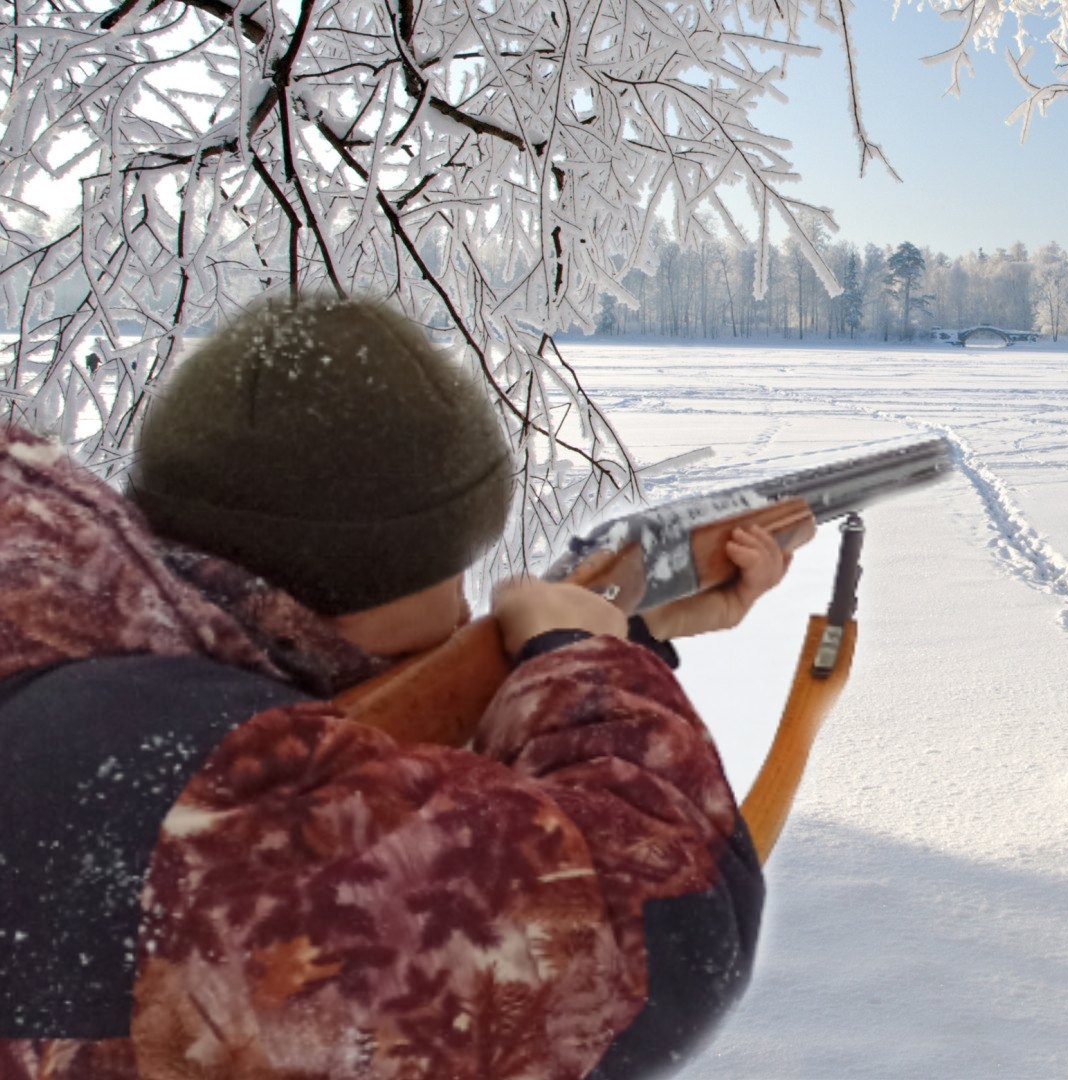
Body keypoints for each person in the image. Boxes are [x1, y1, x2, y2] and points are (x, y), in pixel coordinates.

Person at [0, 295, 789, 1079]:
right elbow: (670, 939)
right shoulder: (181, 785)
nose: (461, 614)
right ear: (343, 587)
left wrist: (626, 637)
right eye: (448, 582)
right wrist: (585, 662)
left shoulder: (70, 655)